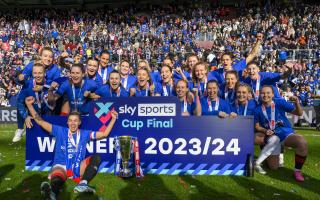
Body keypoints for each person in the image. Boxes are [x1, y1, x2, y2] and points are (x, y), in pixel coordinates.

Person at [24, 96, 118, 199]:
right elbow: (41, 122)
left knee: (96, 157)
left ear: (79, 123)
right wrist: (29, 105)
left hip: (78, 166)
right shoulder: (59, 131)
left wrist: (113, 119)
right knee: (58, 177)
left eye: (75, 121)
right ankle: (52, 193)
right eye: (70, 120)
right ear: (67, 122)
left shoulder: (85, 134)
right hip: (61, 165)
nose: (73, 123)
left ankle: (83, 184)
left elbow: (104, 134)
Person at [254, 85, 307, 181]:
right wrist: (265, 131)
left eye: (268, 93)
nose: (265, 95)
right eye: (263, 93)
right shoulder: (257, 109)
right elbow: (257, 126)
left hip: (285, 135)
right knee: (274, 167)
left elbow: (299, 113)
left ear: (273, 94)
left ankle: (297, 171)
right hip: (271, 138)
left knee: (302, 142)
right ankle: (269, 153)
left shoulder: (279, 102)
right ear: (260, 95)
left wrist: (297, 103)